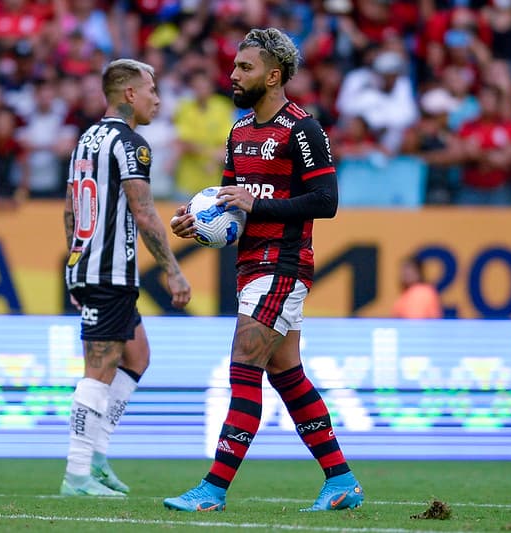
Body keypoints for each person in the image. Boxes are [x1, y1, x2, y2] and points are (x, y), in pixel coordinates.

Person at [165, 28, 363, 513]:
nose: (233, 75)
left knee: (244, 368)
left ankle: (213, 488)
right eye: (234, 67)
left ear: (274, 76)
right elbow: (229, 204)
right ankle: (341, 480)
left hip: (284, 264)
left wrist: (256, 204)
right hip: (250, 264)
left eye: (244, 68)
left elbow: (327, 201)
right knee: (286, 373)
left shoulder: (303, 129)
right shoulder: (238, 132)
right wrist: (197, 223)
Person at [61, 58, 191, 497]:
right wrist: (173, 271)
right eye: (152, 89)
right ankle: (77, 474)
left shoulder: (86, 138)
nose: (157, 98)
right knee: (98, 370)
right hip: (109, 271)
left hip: (92, 267)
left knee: (136, 358)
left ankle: (96, 458)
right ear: (130, 94)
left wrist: (74, 263)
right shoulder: (130, 142)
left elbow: (69, 208)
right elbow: (144, 210)